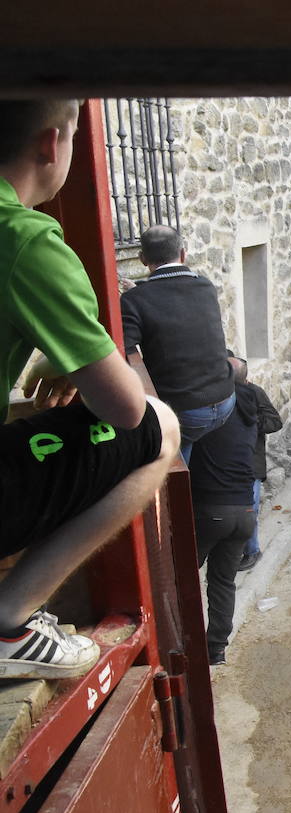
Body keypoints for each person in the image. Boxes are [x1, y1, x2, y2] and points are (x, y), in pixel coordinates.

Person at [0, 99, 181, 680]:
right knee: (160, 426)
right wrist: (94, 362)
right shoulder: (25, 240)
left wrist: (65, 353)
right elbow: (124, 409)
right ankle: (10, 620)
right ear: (52, 145)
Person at [121, 225, 237, 462]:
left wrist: (132, 299)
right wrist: (138, 294)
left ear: (143, 259)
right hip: (226, 399)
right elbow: (175, 301)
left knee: (174, 471)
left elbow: (124, 348)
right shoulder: (205, 287)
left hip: (186, 410)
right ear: (183, 254)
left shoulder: (135, 300)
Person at [188, 357, 266, 665]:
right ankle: (216, 649)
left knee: (181, 579)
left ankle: (183, 644)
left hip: (210, 510)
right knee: (223, 582)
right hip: (244, 513)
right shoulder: (249, 411)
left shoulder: (208, 415)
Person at [231, 356, 282, 572]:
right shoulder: (218, 395)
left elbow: (275, 421)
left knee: (249, 508)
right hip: (229, 462)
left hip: (250, 462)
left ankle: (252, 551)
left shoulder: (254, 392)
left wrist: (250, 422)